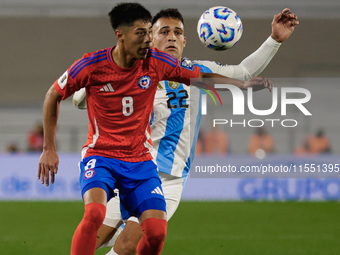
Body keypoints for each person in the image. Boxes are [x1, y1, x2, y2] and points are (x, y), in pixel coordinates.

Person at [37, 3, 272, 255]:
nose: (171, 37)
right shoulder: (114, 66)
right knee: (95, 231)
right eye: (162, 32)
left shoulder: (190, 70)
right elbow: (74, 96)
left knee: (129, 244)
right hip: (118, 162)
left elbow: (243, 72)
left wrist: (274, 41)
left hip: (163, 177)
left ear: (185, 41)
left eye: (178, 33)